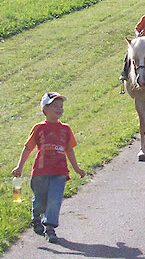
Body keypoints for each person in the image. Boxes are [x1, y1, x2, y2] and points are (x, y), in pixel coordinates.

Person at [11, 92, 86, 243]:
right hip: (40, 171)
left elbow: (69, 150)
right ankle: (36, 216)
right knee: (40, 199)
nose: (59, 109)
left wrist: (77, 168)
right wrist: (19, 167)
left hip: (59, 171)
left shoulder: (66, 129)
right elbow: (27, 148)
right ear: (45, 109)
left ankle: (50, 228)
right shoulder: (39, 128)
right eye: (55, 106)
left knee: (55, 199)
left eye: (61, 106)